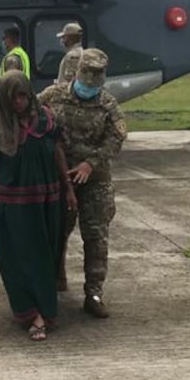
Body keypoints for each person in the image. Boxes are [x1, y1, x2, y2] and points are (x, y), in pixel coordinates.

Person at [0, 72, 76, 340]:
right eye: (13, 98)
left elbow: (58, 153)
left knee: (44, 255)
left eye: (24, 95)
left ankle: (44, 311)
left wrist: (68, 189)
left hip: (45, 200)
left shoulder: (45, 119)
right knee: (10, 257)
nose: (20, 102)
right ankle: (27, 309)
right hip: (12, 204)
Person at [38, 48, 128, 317]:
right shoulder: (53, 96)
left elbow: (116, 138)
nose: (90, 82)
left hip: (94, 180)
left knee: (96, 236)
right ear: (77, 73)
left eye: (96, 77)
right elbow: (30, 116)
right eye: (86, 75)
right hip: (60, 177)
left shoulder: (108, 104)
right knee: (55, 232)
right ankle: (54, 278)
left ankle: (94, 293)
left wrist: (92, 163)